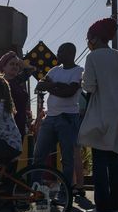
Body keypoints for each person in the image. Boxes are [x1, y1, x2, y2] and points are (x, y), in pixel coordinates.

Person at [78, 18, 118, 212]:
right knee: (114, 160)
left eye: (88, 38)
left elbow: (89, 87)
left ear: (94, 38)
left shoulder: (93, 57)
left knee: (99, 160)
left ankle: (102, 207)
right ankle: (116, 206)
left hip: (100, 112)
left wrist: (82, 79)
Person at [32, 43, 85, 195]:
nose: (57, 54)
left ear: (70, 53)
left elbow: (69, 92)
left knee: (67, 158)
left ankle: (65, 192)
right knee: (39, 155)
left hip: (68, 118)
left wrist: (51, 86)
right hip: (50, 117)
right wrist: (57, 86)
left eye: (60, 51)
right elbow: (40, 85)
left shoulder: (78, 71)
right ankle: (35, 189)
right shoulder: (55, 70)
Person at [0, 51, 34, 137]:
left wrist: (18, 60)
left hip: (20, 124)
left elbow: (31, 69)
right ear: (4, 67)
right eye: (11, 64)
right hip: (7, 126)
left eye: (17, 65)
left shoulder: (16, 80)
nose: (15, 67)